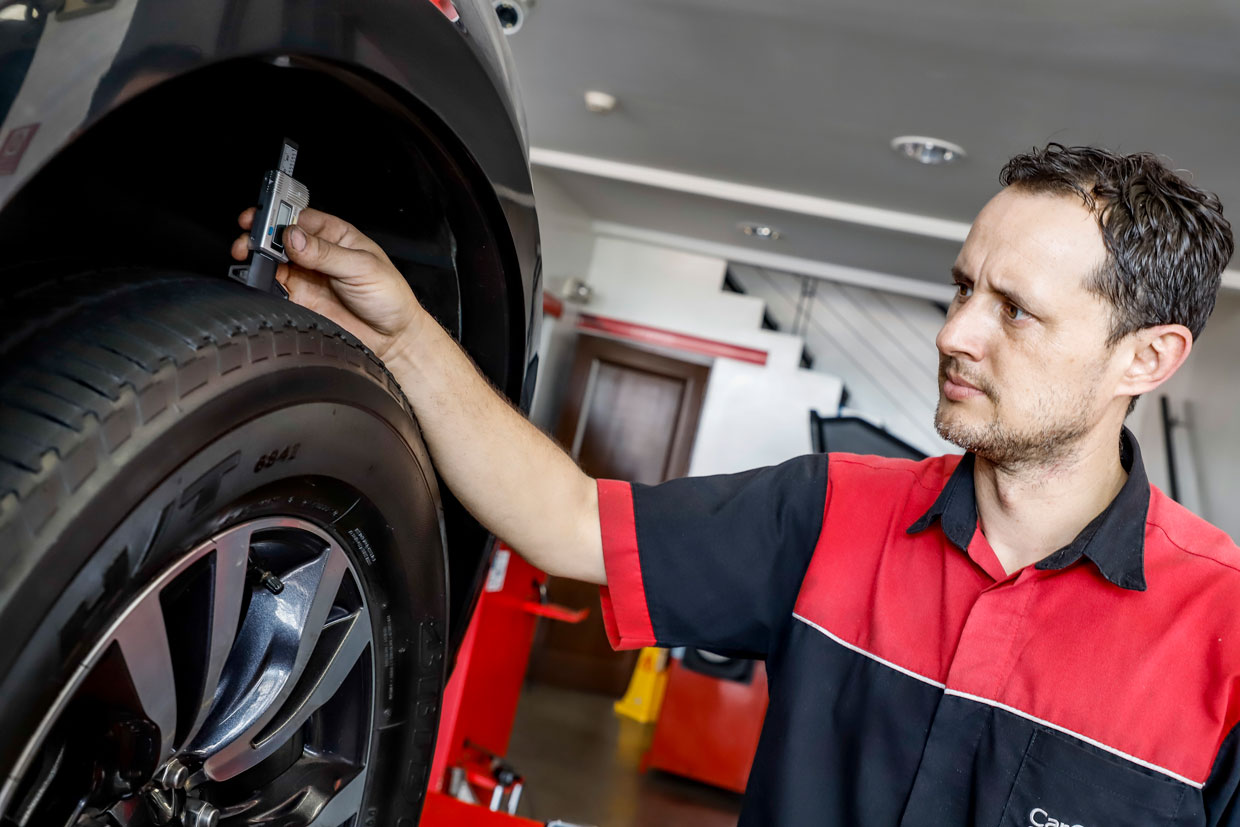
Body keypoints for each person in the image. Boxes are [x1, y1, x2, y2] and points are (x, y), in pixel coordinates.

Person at [232, 144, 1239, 825]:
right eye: (962, 287)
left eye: (1014, 310)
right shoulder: (831, 509)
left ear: (1145, 358)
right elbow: (570, 521)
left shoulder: (1225, 641)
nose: (954, 332)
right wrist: (402, 336)